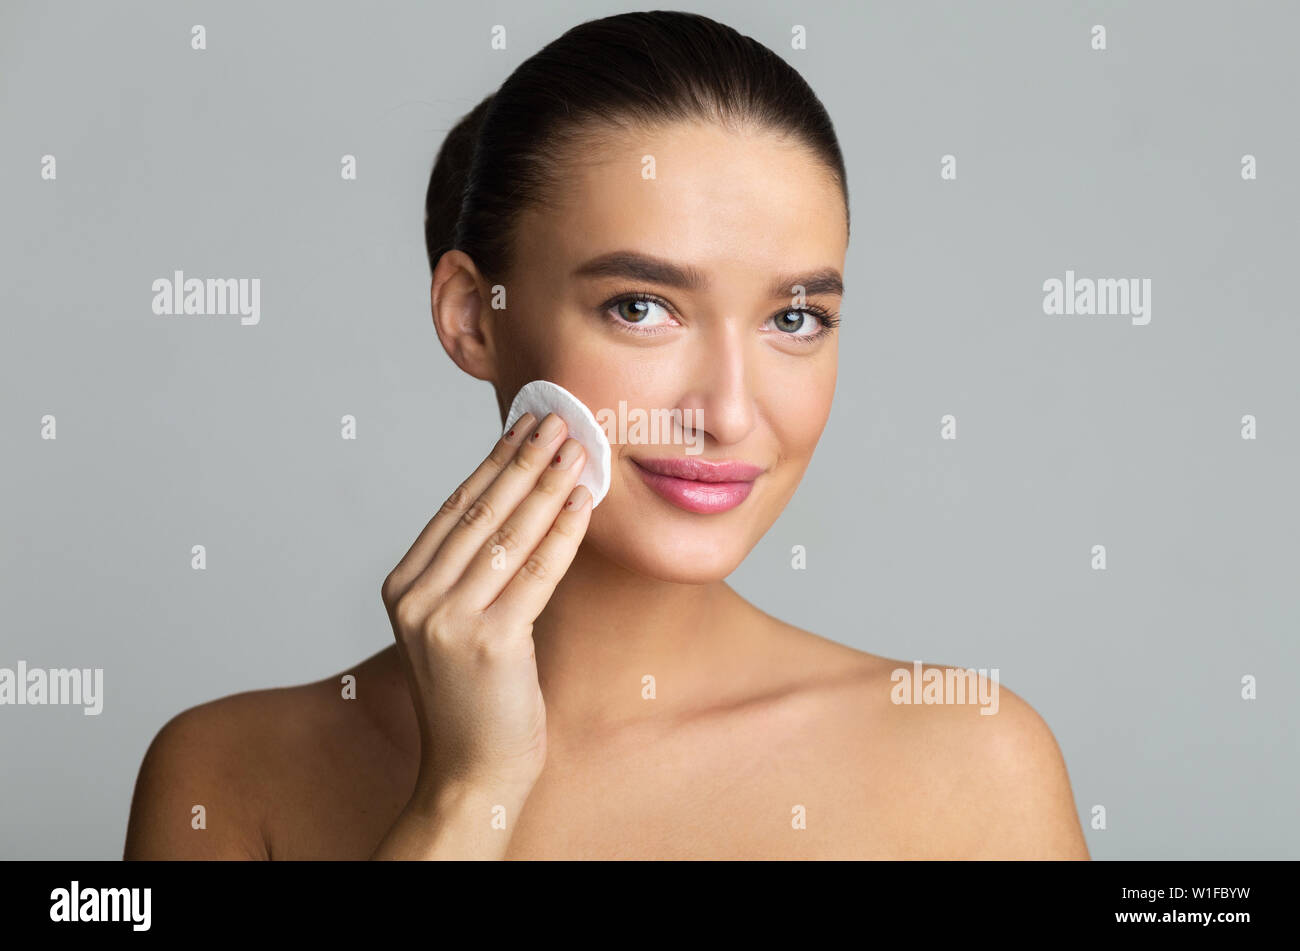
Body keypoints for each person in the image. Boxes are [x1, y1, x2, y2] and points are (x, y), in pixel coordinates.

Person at [124, 10, 1089, 860]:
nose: (729, 412)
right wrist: (467, 797)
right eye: (641, 306)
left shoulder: (970, 764)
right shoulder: (227, 779)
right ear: (474, 316)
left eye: (795, 318)